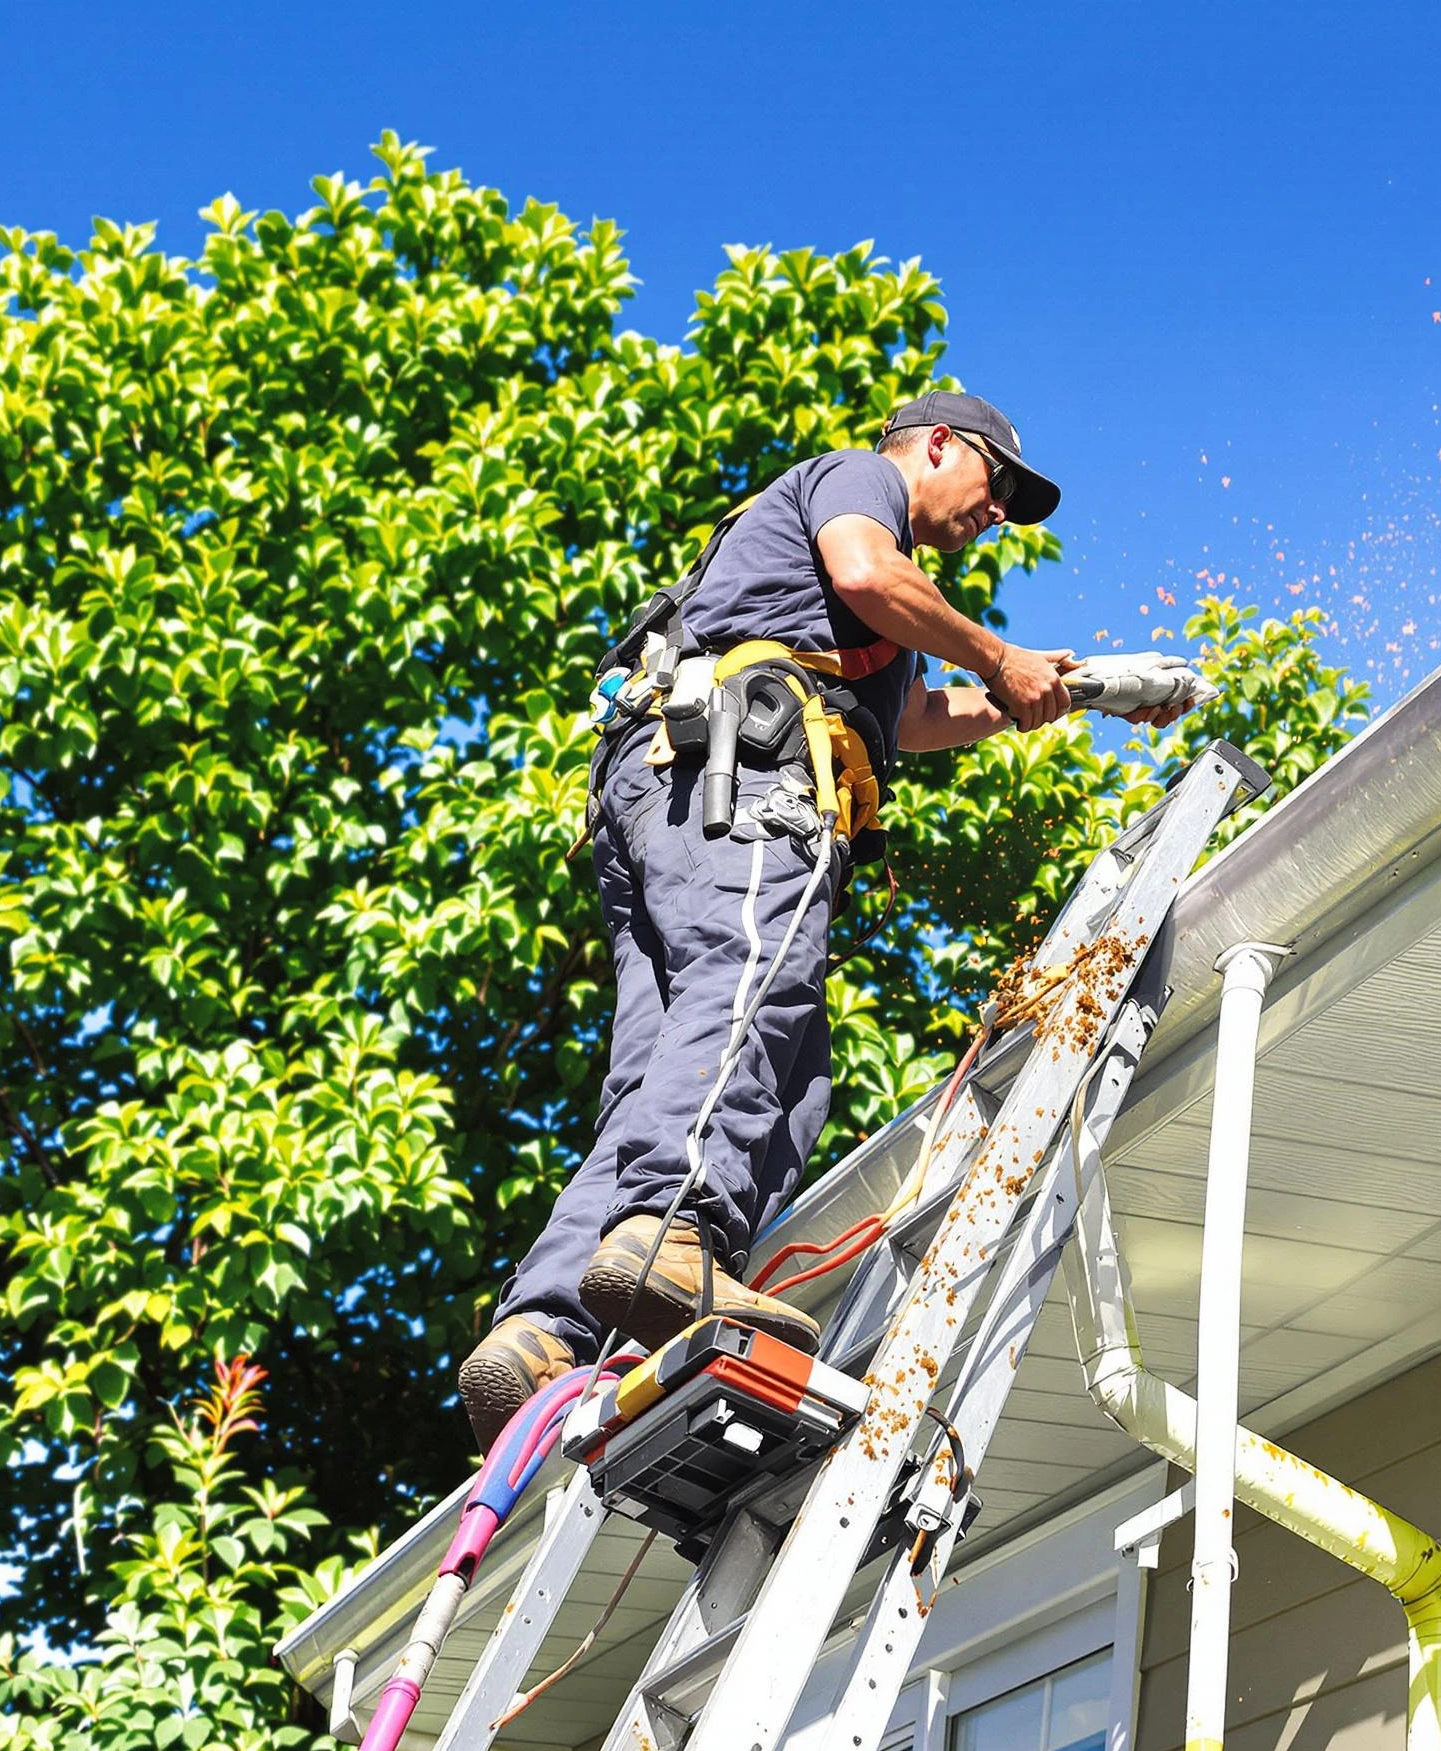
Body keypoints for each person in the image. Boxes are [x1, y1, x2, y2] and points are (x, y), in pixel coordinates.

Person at [457, 392, 1180, 1450]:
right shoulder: (860, 483)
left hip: (663, 789)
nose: (997, 513)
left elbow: (918, 718)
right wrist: (999, 654)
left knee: (670, 1062)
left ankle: (541, 1333)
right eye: (997, 485)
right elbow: (866, 573)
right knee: (755, 989)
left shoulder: (858, 616)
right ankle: (672, 1233)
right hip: (740, 777)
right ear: (938, 444)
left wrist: (1071, 688)